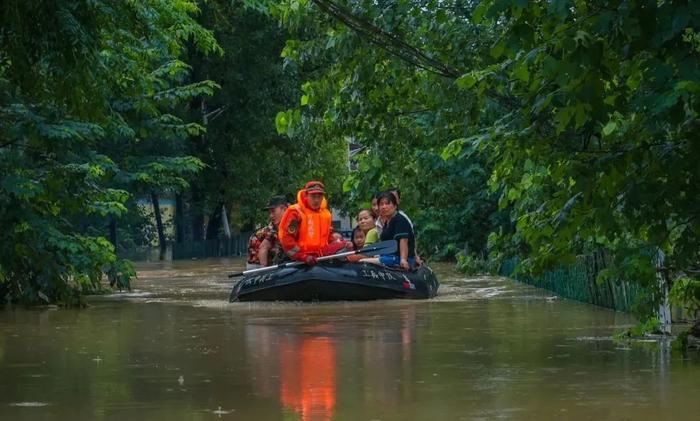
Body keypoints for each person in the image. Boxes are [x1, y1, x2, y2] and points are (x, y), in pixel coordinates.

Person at [278, 181, 336, 265]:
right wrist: (303, 256)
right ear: (306, 195)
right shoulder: (295, 212)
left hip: (321, 259)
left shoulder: (326, 214)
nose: (316, 200)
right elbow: (286, 239)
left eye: (319, 196)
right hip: (297, 262)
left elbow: (329, 237)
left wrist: (339, 245)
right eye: (313, 196)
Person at [362, 191, 416, 270]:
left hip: (398, 258)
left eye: (387, 203)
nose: (384, 207)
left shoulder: (400, 219)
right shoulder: (387, 222)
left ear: (394, 205)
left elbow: (403, 240)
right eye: (381, 204)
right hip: (389, 256)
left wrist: (403, 259)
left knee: (362, 261)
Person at [246, 195, 288, 270]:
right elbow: (263, 247)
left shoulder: (291, 221)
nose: (271, 216)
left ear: (284, 209)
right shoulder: (273, 228)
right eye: (270, 212)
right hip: (256, 263)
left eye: (273, 211)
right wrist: (264, 270)